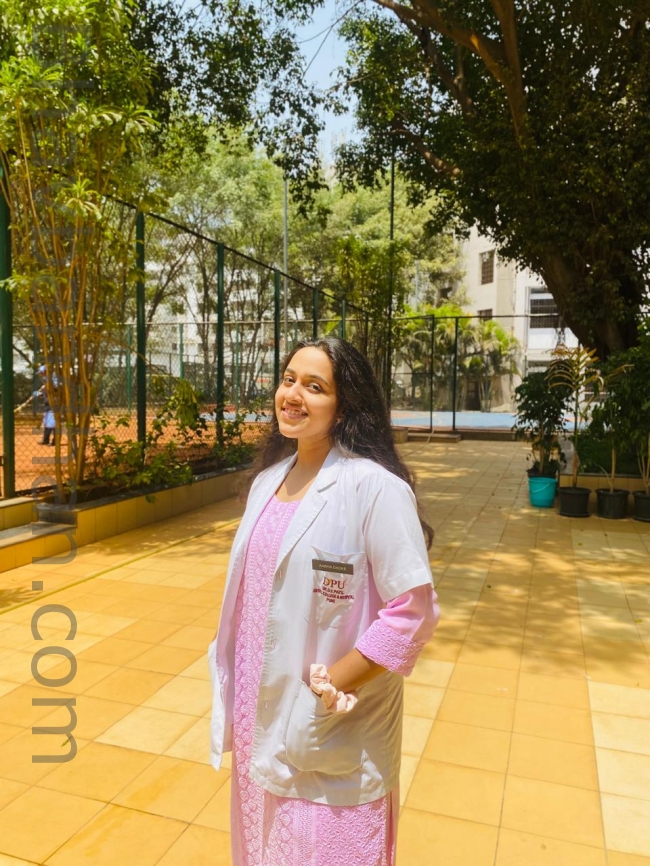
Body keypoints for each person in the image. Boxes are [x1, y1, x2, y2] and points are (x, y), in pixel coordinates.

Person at [208, 337, 440, 866]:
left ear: (345, 405)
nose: (293, 395)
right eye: (288, 380)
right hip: (259, 713)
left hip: (329, 723)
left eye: (314, 386)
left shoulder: (374, 489)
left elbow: (413, 614)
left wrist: (329, 684)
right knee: (260, 849)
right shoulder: (267, 483)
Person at [33, 364, 56, 445]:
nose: (40, 375)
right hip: (47, 404)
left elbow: (56, 389)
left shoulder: (53, 379)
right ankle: (45, 439)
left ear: (46, 372)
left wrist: (47, 386)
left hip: (54, 404)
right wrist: (39, 394)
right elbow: (45, 394)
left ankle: (55, 440)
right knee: (47, 422)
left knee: (53, 423)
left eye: (41, 373)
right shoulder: (46, 382)